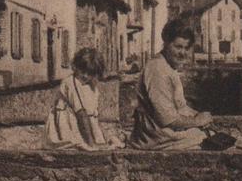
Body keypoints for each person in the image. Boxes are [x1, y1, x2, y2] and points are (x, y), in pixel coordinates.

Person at [130, 20, 212, 151]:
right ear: (166, 44)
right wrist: (197, 121)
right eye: (178, 47)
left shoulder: (168, 67)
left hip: (161, 132)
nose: (183, 53)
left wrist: (198, 115)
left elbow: (180, 106)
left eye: (186, 48)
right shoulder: (158, 69)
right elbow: (166, 118)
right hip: (156, 136)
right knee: (208, 140)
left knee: (214, 136)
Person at [46, 47, 120, 149]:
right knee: (81, 145)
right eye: (82, 71)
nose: (85, 76)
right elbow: (81, 114)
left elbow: (92, 116)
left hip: (84, 126)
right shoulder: (71, 83)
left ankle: (91, 142)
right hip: (68, 126)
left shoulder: (92, 86)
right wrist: (91, 144)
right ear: (75, 67)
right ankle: (88, 143)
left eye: (90, 73)